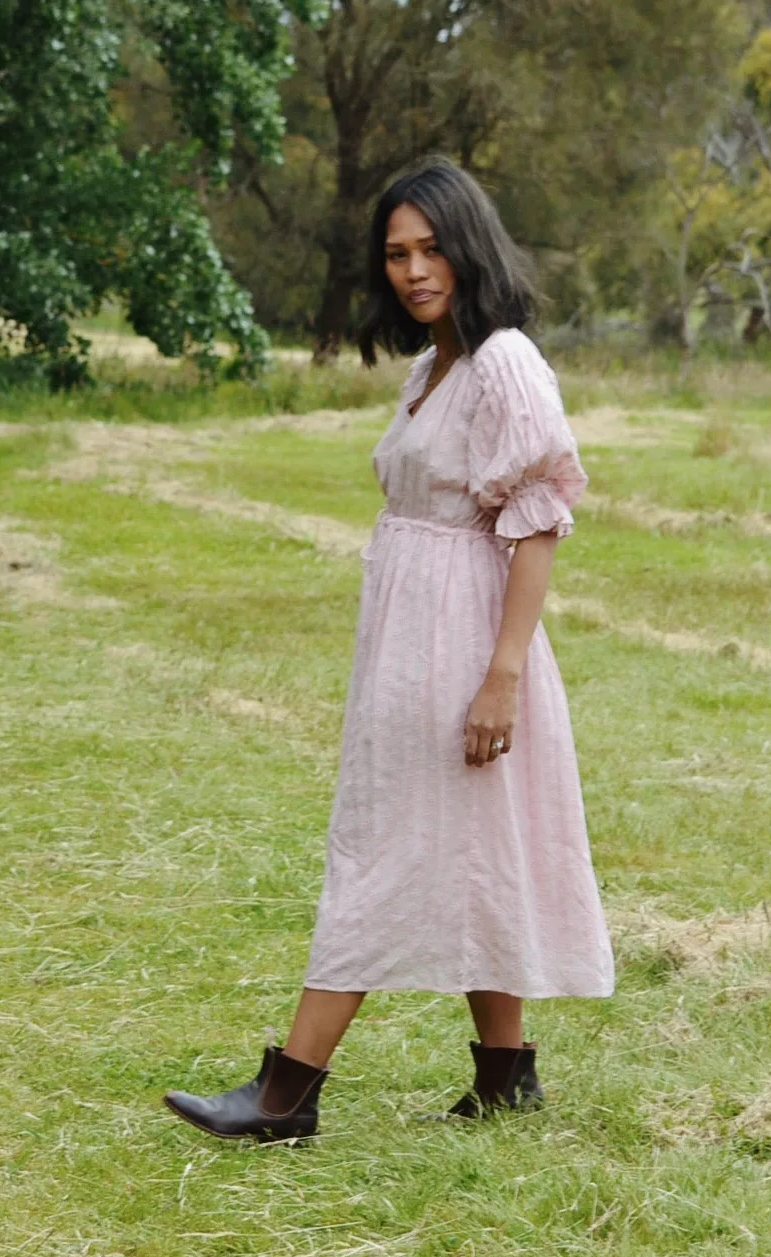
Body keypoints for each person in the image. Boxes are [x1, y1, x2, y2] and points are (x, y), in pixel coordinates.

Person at [164, 157, 615, 1143]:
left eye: (430, 248)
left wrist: (499, 677)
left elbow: (534, 524)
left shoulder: (503, 361)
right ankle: (505, 1077)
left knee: (379, 850)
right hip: (411, 636)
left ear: (469, 246)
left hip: (463, 641)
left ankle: (288, 1092)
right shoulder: (433, 365)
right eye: (397, 254)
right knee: (472, 845)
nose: (414, 271)